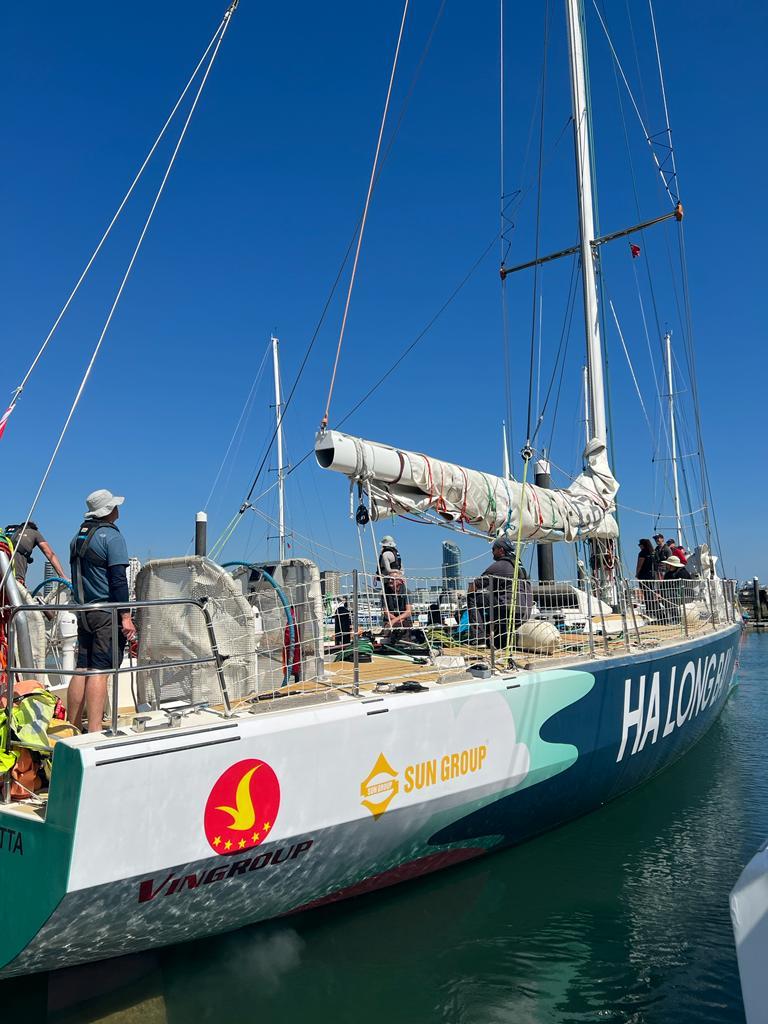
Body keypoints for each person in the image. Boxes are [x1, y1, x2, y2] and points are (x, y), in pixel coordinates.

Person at [67, 489, 136, 733]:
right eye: (115, 506)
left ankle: (73, 727)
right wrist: (125, 616)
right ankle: (95, 732)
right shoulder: (110, 536)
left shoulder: (79, 537)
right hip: (106, 612)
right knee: (100, 670)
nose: (119, 509)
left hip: (84, 611)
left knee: (82, 668)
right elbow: (118, 580)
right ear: (108, 511)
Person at [468, 538, 532, 650]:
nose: (492, 552)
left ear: (501, 550)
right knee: (498, 643)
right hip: (525, 612)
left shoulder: (499, 565)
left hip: (509, 611)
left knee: (472, 598)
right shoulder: (519, 566)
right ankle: (493, 639)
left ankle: (478, 639)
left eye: (493, 549)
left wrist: (471, 589)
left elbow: (475, 586)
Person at [3, 520, 68, 586]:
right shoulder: (35, 532)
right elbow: (50, 554)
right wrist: (63, 576)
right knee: (18, 589)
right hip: (16, 578)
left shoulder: (7, 534)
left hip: (2, 573)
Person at [378, 536, 413, 630]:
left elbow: (388, 570)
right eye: (390, 579)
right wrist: (397, 620)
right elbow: (402, 569)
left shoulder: (385, 555)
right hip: (395, 620)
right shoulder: (397, 555)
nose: (390, 580)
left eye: (392, 580)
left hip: (401, 621)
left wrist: (394, 621)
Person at [658, 554, 693, 624]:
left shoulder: (683, 573)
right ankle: (664, 619)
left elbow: (683, 587)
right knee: (663, 596)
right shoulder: (668, 574)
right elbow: (663, 586)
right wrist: (659, 593)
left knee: (669, 596)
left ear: (672, 565)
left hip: (685, 595)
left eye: (668, 564)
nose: (666, 566)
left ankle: (676, 619)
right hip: (672, 595)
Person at [636, 538, 659, 619]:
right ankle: (653, 610)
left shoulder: (642, 553)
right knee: (651, 593)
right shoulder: (653, 553)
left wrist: (637, 573)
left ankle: (649, 611)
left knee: (646, 594)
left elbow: (640, 564)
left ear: (642, 545)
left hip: (644, 575)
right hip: (652, 576)